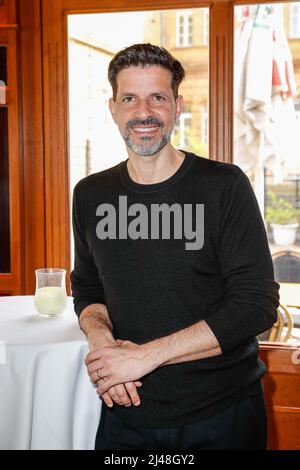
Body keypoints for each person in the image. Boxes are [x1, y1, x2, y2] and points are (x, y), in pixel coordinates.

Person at [70, 43, 280, 450]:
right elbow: (89, 291)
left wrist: (146, 356)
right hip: (125, 410)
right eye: (129, 98)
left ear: (177, 106)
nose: (143, 112)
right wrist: (103, 345)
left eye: (158, 98)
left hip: (220, 414)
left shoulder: (224, 186)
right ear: (113, 108)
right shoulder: (90, 194)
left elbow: (255, 304)